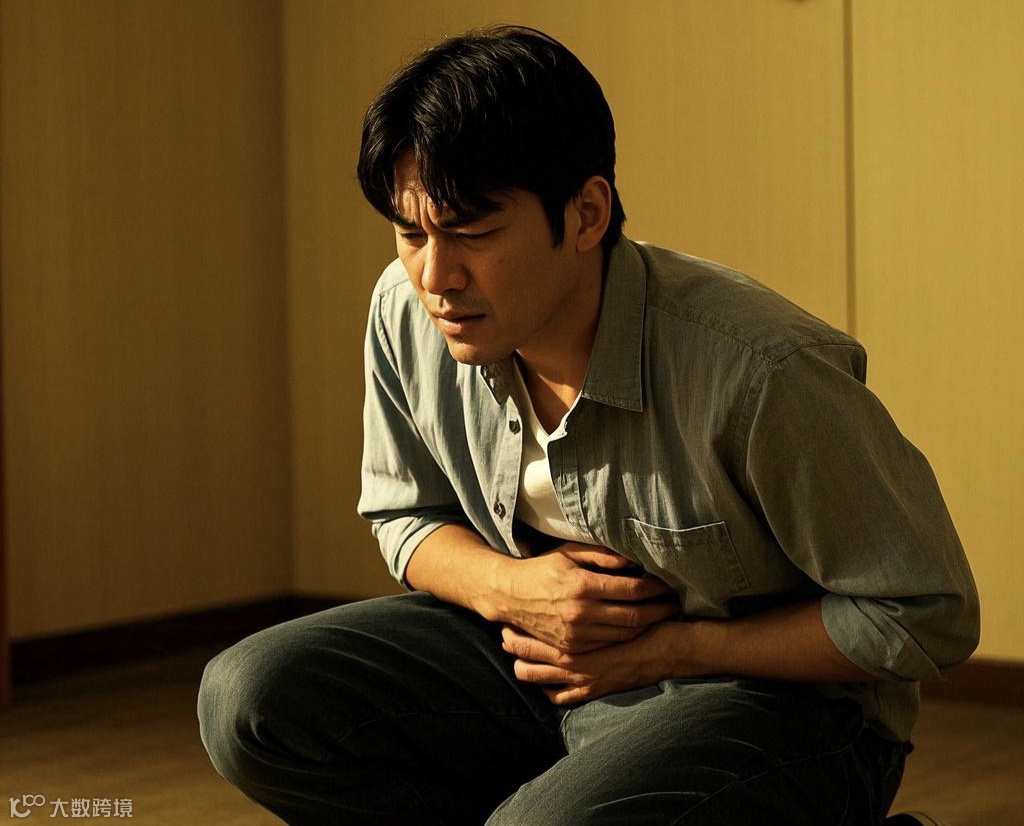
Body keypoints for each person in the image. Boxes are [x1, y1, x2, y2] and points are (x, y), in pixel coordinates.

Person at [199, 25, 979, 825]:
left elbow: (925, 614)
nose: (436, 276)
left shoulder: (760, 370)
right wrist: (510, 587)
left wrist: (677, 649)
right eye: (410, 233)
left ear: (587, 213)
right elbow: (406, 516)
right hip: (540, 663)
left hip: (772, 702)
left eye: (472, 232)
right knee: (248, 701)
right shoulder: (407, 312)